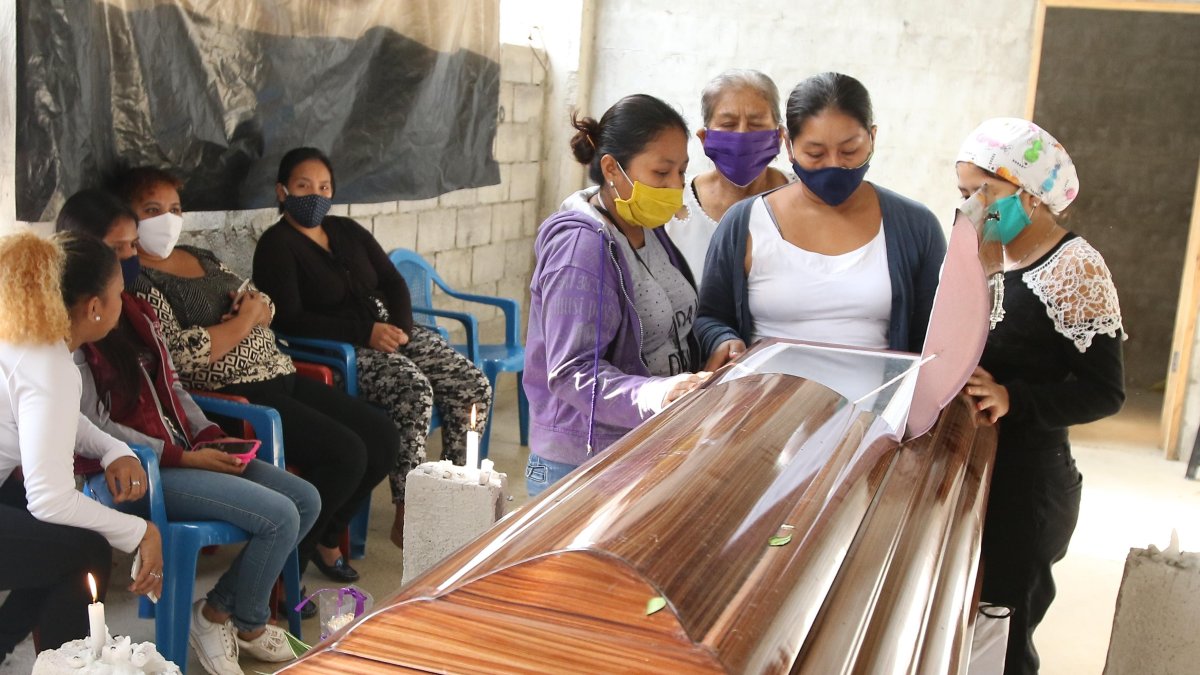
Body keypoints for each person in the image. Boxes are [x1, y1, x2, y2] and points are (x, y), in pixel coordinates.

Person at [56, 189, 323, 675]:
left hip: (181, 454)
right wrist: (183, 458)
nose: (130, 259)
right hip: (134, 470)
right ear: (84, 253)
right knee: (281, 514)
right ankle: (236, 619)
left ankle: (219, 612)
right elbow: (90, 426)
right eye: (117, 250)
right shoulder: (74, 331)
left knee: (305, 499)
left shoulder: (136, 310)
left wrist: (205, 437)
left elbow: (175, 389)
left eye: (132, 247)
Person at [98, 174, 397, 586]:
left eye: (175, 209)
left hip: (280, 371)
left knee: (382, 436)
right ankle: (284, 574)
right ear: (128, 220)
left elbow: (263, 300)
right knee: (346, 454)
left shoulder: (200, 255)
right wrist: (245, 319)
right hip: (237, 393)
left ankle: (326, 536)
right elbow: (181, 355)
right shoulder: (137, 283)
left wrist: (252, 312)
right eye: (152, 211)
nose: (167, 220)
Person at [253, 148, 493, 542]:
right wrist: (366, 334)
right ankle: (408, 506)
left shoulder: (347, 231)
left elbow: (394, 282)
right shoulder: (276, 246)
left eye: (324, 186)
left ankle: (453, 494)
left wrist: (399, 330)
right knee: (413, 389)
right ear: (282, 191)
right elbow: (289, 318)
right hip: (342, 351)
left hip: (394, 336)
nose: (315, 194)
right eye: (303, 186)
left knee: (472, 386)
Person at [956, 118, 1124, 675]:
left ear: (1030, 192)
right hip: (977, 474)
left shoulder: (1076, 267)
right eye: (964, 194)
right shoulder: (985, 254)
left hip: (1029, 486)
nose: (975, 207)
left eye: (987, 192)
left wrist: (1014, 398)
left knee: (1003, 638)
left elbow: (1104, 391)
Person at [523, 94, 710, 497]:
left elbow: (674, 322)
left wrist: (717, 346)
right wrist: (660, 392)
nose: (676, 186)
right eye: (662, 173)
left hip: (643, 444)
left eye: (682, 171)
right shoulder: (581, 247)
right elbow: (571, 371)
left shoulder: (648, 227)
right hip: (582, 464)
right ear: (612, 168)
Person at [695, 72, 946, 369]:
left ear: (873, 138)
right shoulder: (744, 223)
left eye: (849, 151)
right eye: (815, 153)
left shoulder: (917, 227)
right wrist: (724, 340)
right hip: (764, 406)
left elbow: (934, 338)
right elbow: (710, 317)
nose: (834, 165)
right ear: (788, 145)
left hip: (873, 412)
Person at [0, 231, 163, 664]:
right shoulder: (49, 363)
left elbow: (54, 417)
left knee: (64, 542)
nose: (121, 302)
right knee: (84, 549)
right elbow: (50, 499)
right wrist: (140, 532)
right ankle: (66, 667)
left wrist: (113, 448)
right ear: (94, 308)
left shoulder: (25, 335)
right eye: (119, 294)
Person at [664, 69, 790, 287]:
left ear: (778, 136)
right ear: (704, 137)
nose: (741, 135)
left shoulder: (806, 198)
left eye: (756, 124)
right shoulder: (671, 206)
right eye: (728, 124)